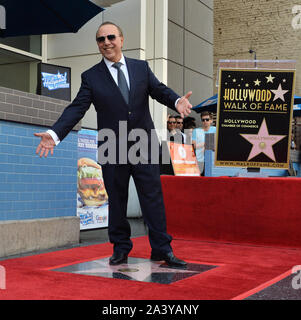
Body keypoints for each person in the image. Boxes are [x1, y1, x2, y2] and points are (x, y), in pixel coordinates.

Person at [34, 22, 192, 267]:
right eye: (100, 39)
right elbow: (77, 108)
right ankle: (120, 248)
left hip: (144, 144)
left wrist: (177, 100)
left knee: (152, 198)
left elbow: (158, 90)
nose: (106, 42)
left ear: (121, 39)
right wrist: (55, 134)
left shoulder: (141, 68)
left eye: (110, 37)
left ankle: (162, 248)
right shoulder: (91, 77)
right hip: (112, 145)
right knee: (117, 200)